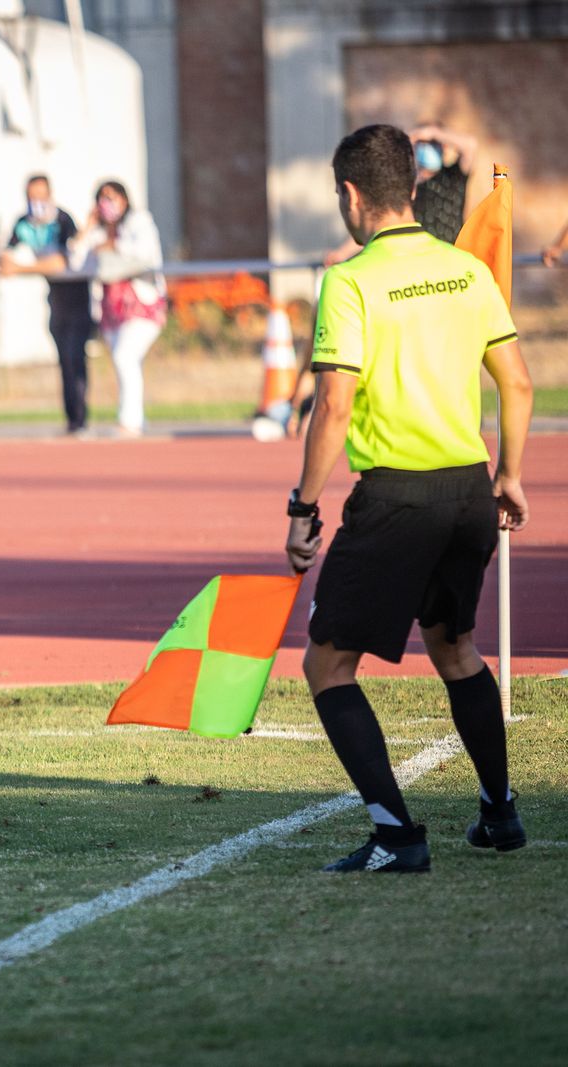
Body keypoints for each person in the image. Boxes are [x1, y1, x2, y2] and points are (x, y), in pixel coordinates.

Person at [285, 124, 533, 874]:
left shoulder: (352, 279)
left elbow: (333, 405)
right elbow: (518, 384)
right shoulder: (467, 270)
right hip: (467, 489)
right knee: (457, 649)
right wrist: (510, 474)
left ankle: (396, 834)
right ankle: (498, 813)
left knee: (327, 666)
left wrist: (303, 509)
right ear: (415, 189)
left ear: (352, 195)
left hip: (396, 497)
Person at [0, 175, 94, 435]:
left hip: (77, 299)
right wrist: (11, 263)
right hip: (55, 300)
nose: (37, 203)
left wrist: (22, 268)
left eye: (41, 197)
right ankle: (71, 420)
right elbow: (5, 256)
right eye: (32, 197)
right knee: (64, 358)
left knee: (76, 356)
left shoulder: (62, 220)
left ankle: (81, 419)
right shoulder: (23, 223)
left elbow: (62, 263)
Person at [71, 181, 165, 438]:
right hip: (112, 309)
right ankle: (133, 418)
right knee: (122, 361)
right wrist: (88, 227)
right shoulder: (97, 232)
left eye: (112, 198)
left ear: (124, 199)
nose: (107, 204)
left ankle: (130, 421)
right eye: (102, 199)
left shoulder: (139, 222)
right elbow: (76, 261)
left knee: (125, 356)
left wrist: (114, 246)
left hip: (140, 303)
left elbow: (146, 253)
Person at [324, 122, 478, 264]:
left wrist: (431, 132)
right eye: (422, 144)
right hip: (417, 263)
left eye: (432, 143)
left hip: (451, 258)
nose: (427, 147)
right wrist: (341, 254)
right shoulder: (404, 183)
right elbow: (379, 221)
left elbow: (470, 146)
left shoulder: (453, 177)